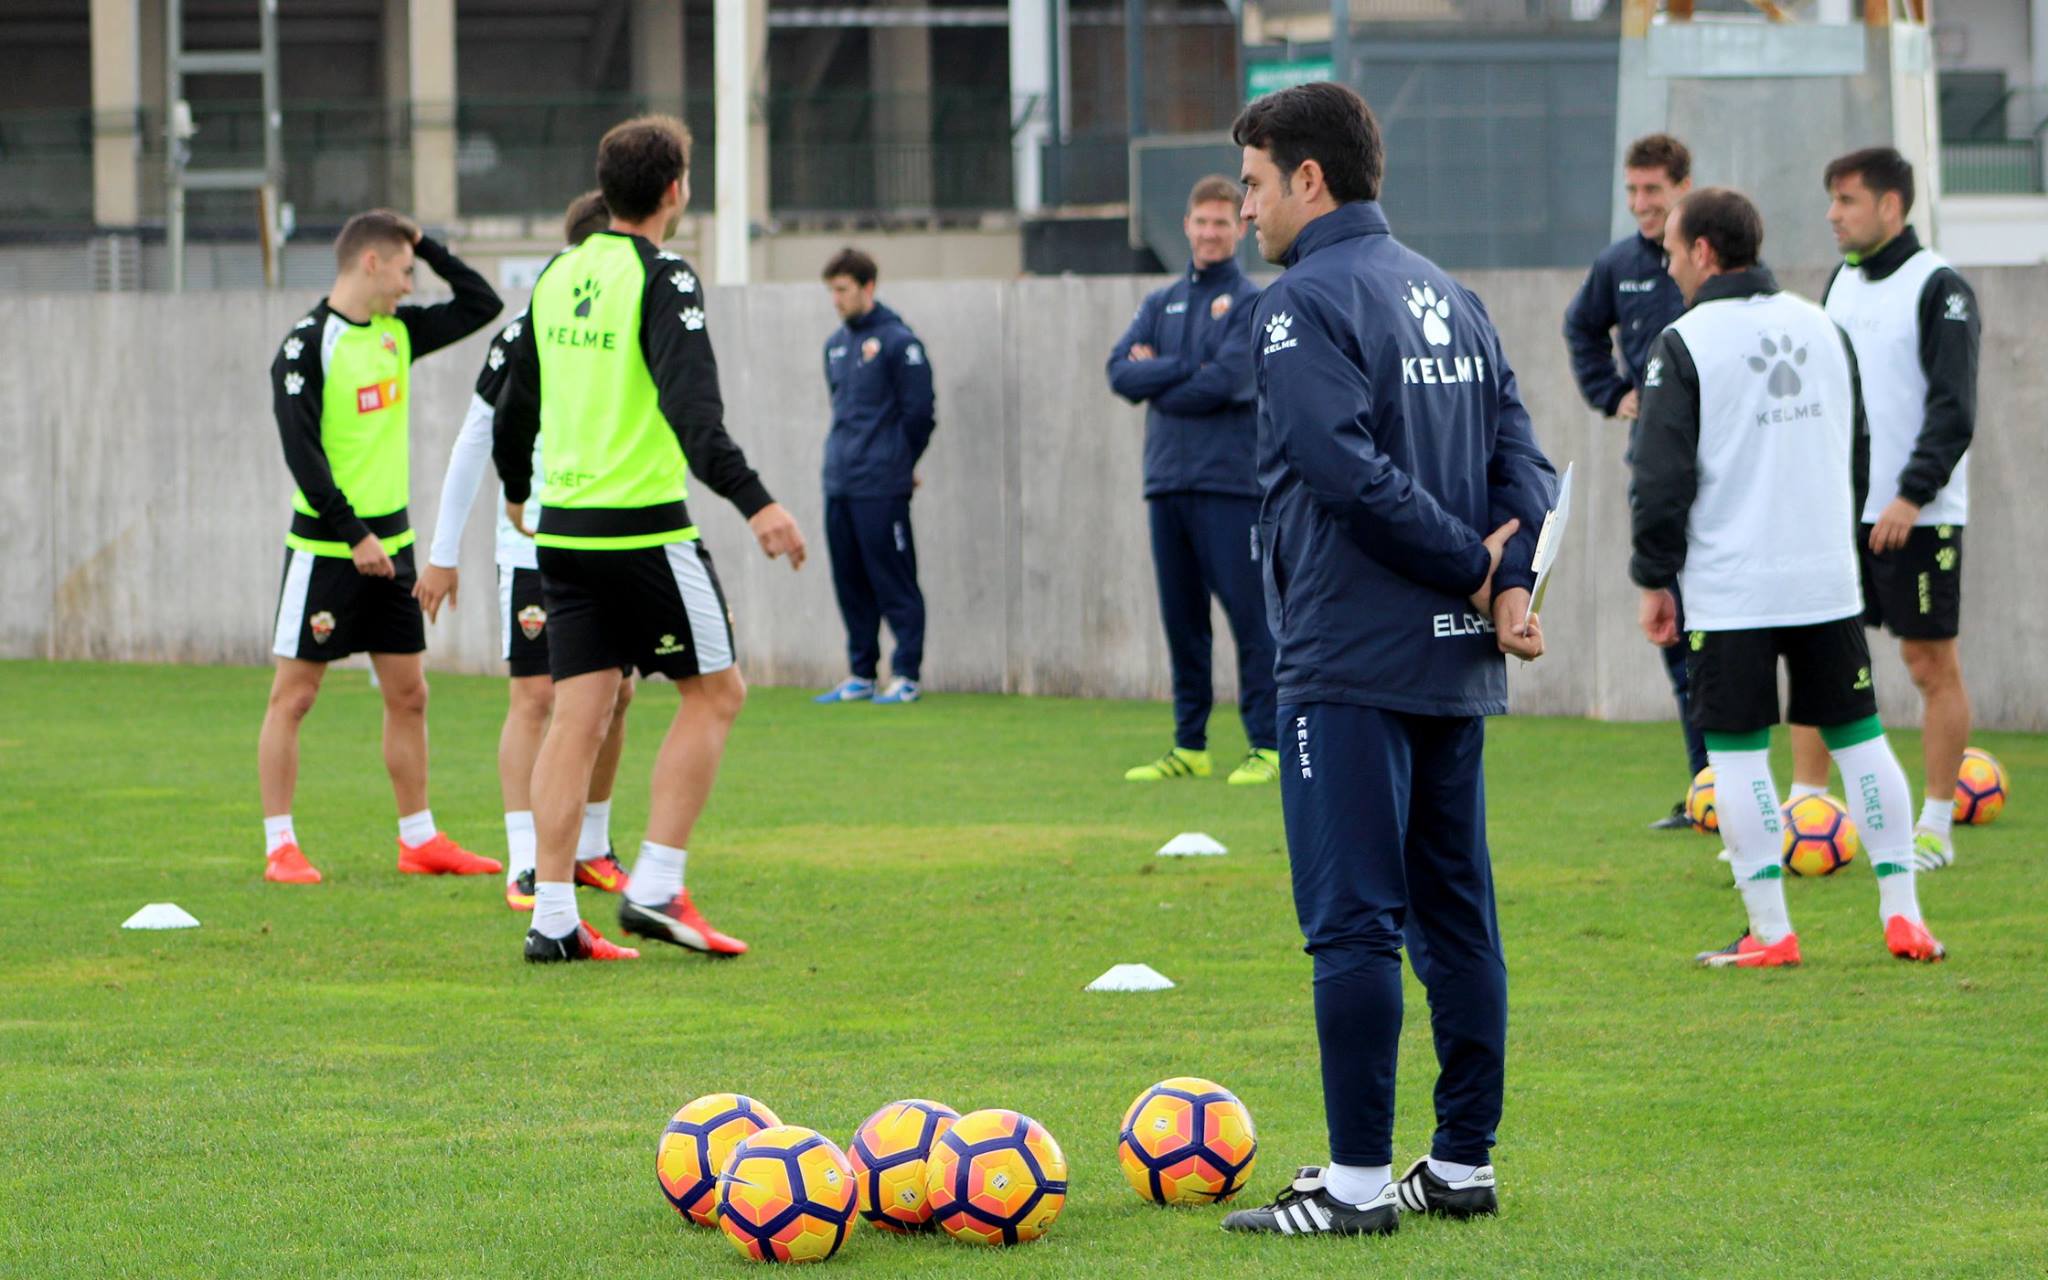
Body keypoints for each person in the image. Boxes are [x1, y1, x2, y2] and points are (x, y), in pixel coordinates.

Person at [1213, 82, 1554, 1239]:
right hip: (1449, 662)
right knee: (1454, 912)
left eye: (1253, 183)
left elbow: (1336, 465)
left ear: (1307, 179)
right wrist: (1504, 583)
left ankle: (1355, 1180)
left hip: (1346, 656)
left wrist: (1473, 564)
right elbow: (1529, 464)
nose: (1246, 207)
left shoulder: (1298, 299)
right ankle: (1459, 1161)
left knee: (1352, 920)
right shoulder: (1448, 294)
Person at [494, 115, 808, 963]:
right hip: (643, 531)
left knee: (578, 715)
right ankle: (659, 885)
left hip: (561, 534)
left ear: (606, 187)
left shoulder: (559, 273)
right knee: (717, 693)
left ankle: (553, 916)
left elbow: (515, 400)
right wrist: (758, 502)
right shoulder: (665, 276)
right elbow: (693, 415)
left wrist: (519, 488)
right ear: (677, 190)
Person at [1629, 186, 1947, 969]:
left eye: (1672, 251)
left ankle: (1772, 933)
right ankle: (1903, 915)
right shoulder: (1824, 324)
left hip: (1733, 588)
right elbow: (1861, 449)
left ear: (1703, 250)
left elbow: (1659, 479)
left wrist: (1653, 576)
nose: (1669, 266)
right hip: (1825, 580)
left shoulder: (1685, 340)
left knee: (1736, 756)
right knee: (1862, 742)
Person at [260, 209, 504, 885]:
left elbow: (482, 302)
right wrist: (353, 534)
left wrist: (423, 241)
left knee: (410, 694)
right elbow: (302, 454)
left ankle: (418, 839)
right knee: (296, 695)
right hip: (328, 551)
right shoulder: (307, 346)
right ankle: (280, 845)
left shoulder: (400, 333)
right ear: (370, 263)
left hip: (391, 548)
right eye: (403, 268)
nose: (409, 283)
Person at [415, 191, 636, 911]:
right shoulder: (529, 326)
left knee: (618, 694)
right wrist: (443, 553)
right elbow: (475, 438)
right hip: (535, 542)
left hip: (611, 535)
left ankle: (594, 848)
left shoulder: (634, 317)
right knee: (536, 696)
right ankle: (526, 862)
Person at [1785, 147, 1980, 873]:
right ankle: (1807, 807)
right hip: (1839, 515)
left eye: (1847, 201)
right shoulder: (1840, 284)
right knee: (1816, 659)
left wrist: (1909, 495)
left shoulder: (1941, 287)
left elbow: (1955, 410)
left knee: (1929, 664)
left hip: (1919, 516)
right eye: (1832, 201)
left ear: (1890, 207)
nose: (1833, 215)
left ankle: (1934, 825)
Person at [1106, 175, 1279, 786]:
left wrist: (1163, 377)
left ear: (1241, 229)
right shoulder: (1159, 303)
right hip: (1166, 485)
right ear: (1187, 226)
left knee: (1251, 621)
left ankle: (1268, 744)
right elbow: (1119, 373)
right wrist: (1186, 371)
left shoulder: (1255, 303)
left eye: (1223, 223)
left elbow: (1228, 381)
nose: (1210, 233)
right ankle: (1190, 746)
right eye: (1201, 222)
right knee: (1182, 622)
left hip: (1230, 486)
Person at [1563, 133, 1702, 829]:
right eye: (1633, 192)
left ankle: (1753, 790)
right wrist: (1613, 393)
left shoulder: (1713, 253)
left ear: (1683, 187)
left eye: (1654, 190)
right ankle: (1706, 789)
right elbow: (1580, 328)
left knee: (1728, 644)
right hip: (1656, 472)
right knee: (1679, 641)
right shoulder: (1618, 264)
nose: (1642, 204)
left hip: (1723, 477)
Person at [811, 247, 936, 706]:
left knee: (894, 579)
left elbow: (920, 413)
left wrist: (901, 463)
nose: (836, 300)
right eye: (831, 291)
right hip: (840, 482)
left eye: (842, 290)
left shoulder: (900, 342)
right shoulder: (836, 346)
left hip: (881, 486)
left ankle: (906, 673)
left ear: (868, 288)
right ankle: (861, 672)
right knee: (850, 581)